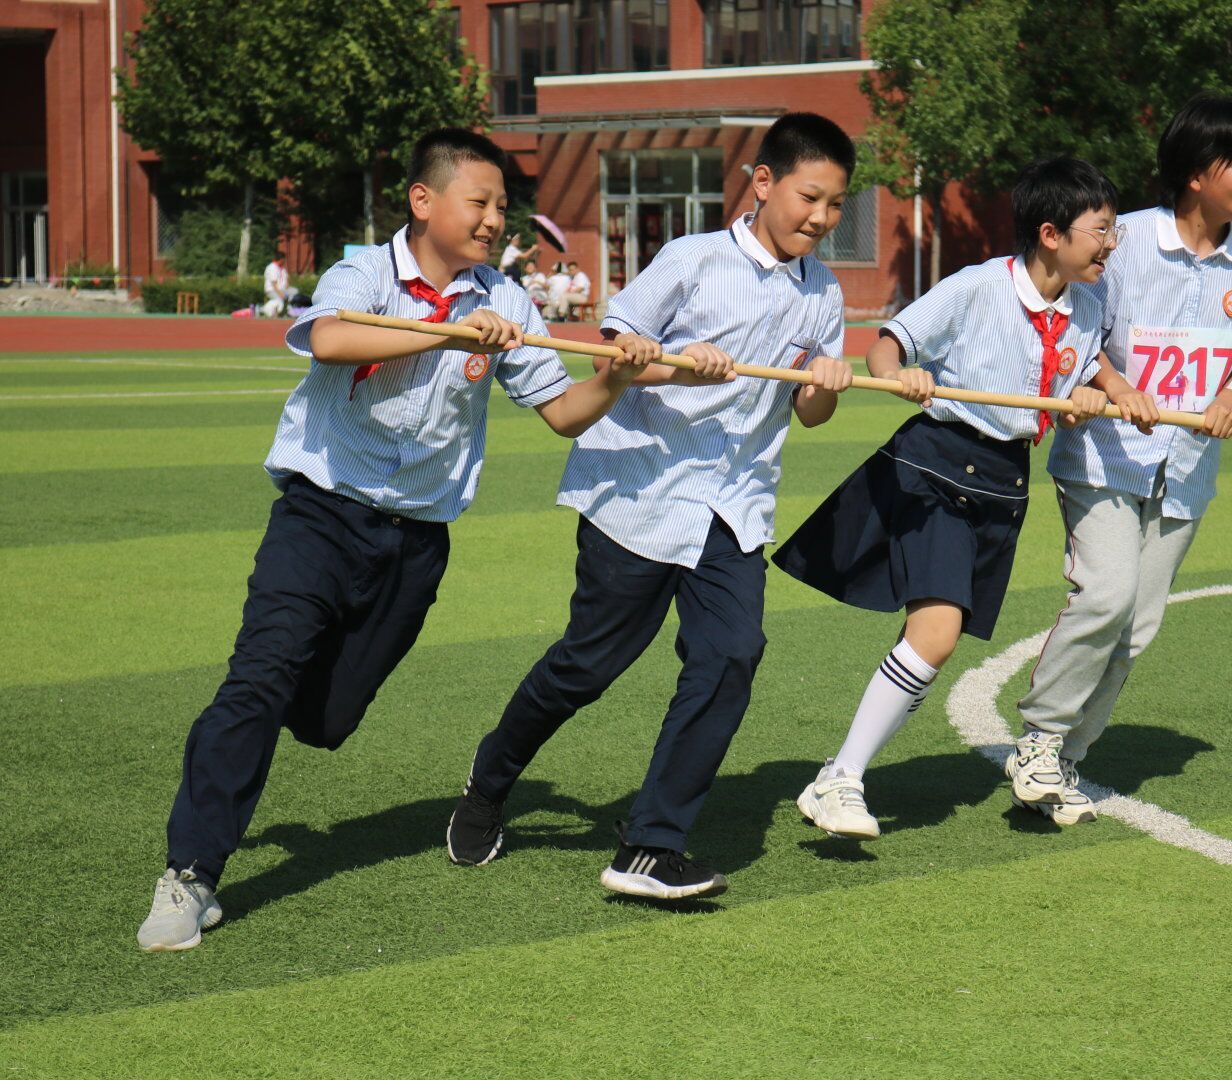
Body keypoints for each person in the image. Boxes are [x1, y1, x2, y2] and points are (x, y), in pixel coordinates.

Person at [136, 129, 651, 952]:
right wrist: (450, 332)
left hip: (415, 545)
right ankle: (190, 874)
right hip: (319, 515)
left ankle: (270, 716)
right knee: (257, 681)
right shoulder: (366, 274)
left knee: (328, 720)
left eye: (500, 207)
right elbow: (332, 339)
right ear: (424, 200)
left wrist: (616, 376)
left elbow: (562, 415)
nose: (492, 220)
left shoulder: (509, 302)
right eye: (477, 202)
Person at [446, 113, 857, 899]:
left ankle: (651, 843)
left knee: (731, 653)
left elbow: (806, 414)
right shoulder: (693, 260)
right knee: (587, 667)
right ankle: (490, 780)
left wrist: (823, 385)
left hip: (734, 506)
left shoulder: (823, 291)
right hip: (639, 491)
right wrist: (676, 368)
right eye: (811, 197)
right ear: (764, 182)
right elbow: (615, 349)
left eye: (837, 205)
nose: (821, 218)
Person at [778, 157, 1120, 840]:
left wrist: (1089, 397)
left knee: (943, 636)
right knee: (934, 633)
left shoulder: (1090, 307)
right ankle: (839, 778)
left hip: (1003, 482)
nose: (1112, 244)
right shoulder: (976, 287)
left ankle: (841, 777)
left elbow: (1071, 386)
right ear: (1051, 233)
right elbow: (887, 344)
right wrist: (897, 374)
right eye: (1102, 230)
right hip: (937, 462)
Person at [1008, 95, 1232, 825]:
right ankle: (1039, 738)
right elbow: (1068, 326)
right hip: (1103, 457)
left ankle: (1066, 761)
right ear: (1196, 172)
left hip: (1187, 468)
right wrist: (1113, 382)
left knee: (1137, 628)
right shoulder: (1119, 241)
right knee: (1105, 594)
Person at [261, 252, 290, 318]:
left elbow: (286, 281)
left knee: (294, 294)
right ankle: (263, 309)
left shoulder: (281, 268)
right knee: (279, 300)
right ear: (281, 259)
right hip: (272, 290)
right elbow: (274, 284)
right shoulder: (272, 268)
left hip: (281, 290)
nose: (285, 261)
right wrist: (281, 293)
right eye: (284, 259)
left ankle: (288, 312)